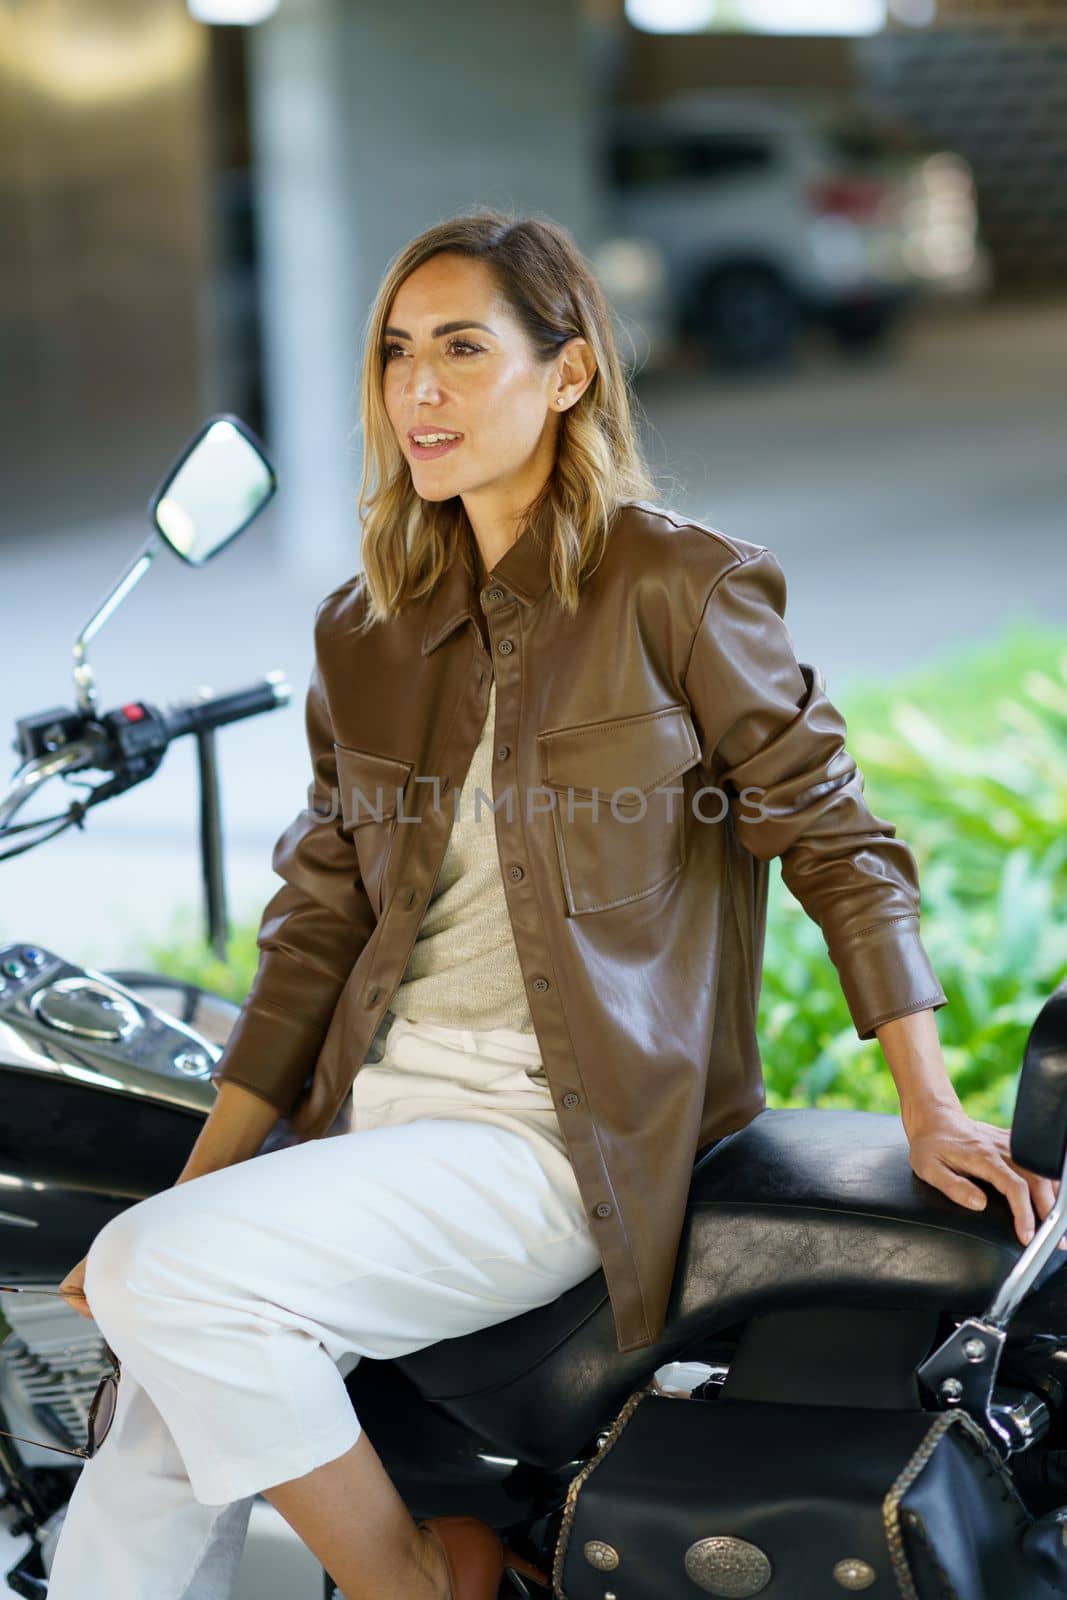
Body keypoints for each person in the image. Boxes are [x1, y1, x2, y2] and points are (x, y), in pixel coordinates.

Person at [44, 210, 1059, 1600]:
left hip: (555, 1146)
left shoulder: (677, 585)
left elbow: (836, 838)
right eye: (398, 353)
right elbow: (317, 926)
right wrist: (206, 1184)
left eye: (464, 350)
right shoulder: (367, 629)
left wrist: (929, 1101)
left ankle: (426, 1584)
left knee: (165, 1285)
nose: (420, 390)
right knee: (148, 1443)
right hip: (374, 1130)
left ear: (567, 373)